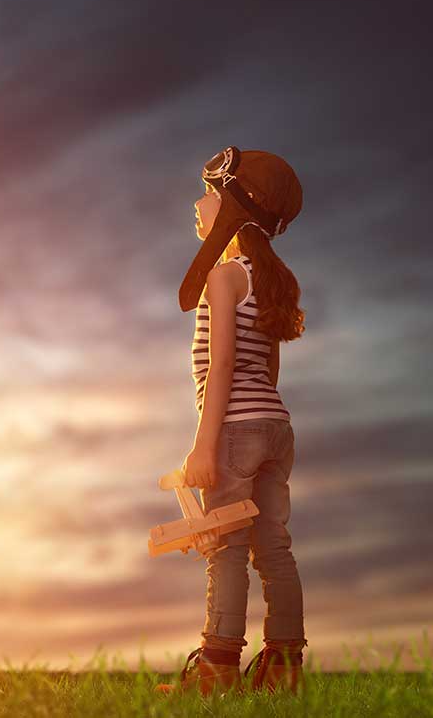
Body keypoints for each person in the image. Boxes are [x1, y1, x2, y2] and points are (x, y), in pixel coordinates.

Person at [156, 148, 307, 697]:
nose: (197, 206)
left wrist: (204, 445)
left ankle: (216, 671)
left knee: (224, 547)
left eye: (208, 194)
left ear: (233, 211)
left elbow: (221, 366)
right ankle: (284, 670)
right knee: (274, 546)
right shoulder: (270, 279)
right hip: (275, 426)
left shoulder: (222, 277)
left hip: (236, 429)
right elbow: (267, 369)